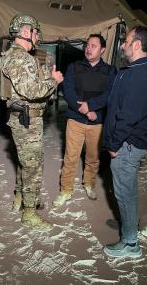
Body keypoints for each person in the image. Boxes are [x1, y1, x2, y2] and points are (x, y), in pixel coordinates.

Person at [0, 14, 64, 231]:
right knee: (33, 167)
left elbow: (26, 87)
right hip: (27, 121)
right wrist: (54, 82)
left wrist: (46, 79)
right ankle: (29, 213)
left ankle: (19, 198)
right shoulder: (21, 57)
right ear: (26, 32)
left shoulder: (11, 55)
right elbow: (31, 91)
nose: (38, 37)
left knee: (24, 162)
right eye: (36, 32)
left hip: (21, 118)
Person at [103, 26, 147, 258]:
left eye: (126, 41)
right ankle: (129, 226)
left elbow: (128, 116)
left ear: (137, 45)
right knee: (128, 191)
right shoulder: (139, 69)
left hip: (127, 145)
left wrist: (114, 145)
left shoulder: (140, 74)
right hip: (130, 143)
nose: (123, 45)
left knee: (124, 193)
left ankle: (130, 244)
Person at [52, 34, 117, 207]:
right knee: (70, 157)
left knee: (93, 157)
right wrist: (84, 109)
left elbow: (110, 94)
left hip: (97, 123)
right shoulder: (74, 67)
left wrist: (92, 107)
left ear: (102, 50)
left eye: (93, 46)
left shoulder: (110, 71)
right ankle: (65, 190)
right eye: (87, 45)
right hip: (75, 120)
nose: (88, 49)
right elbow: (68, 90)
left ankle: (89, 184)